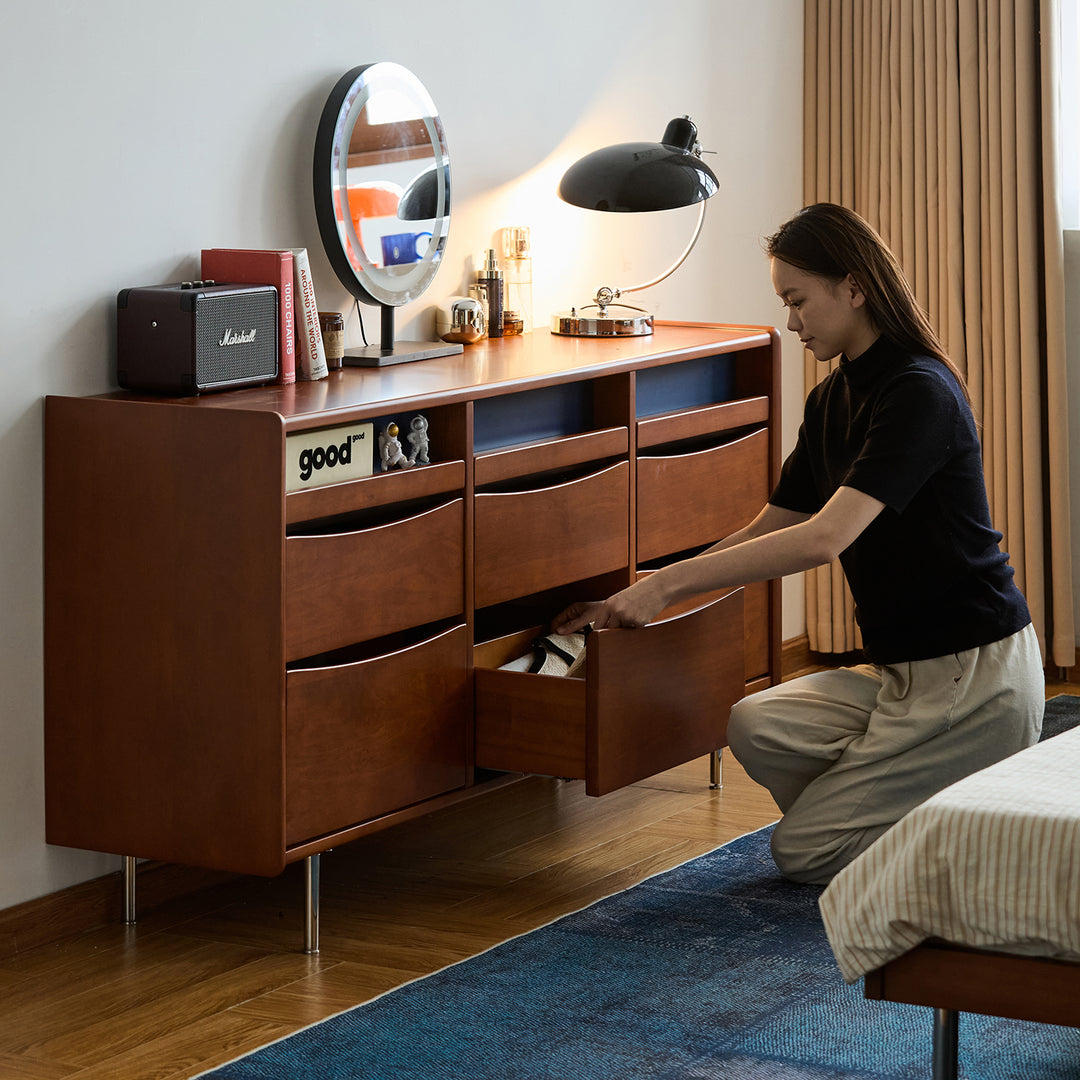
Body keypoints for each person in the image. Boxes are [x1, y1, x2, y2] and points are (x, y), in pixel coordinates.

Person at [552, 202, 1044, 885]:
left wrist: (665, 587)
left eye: (798, 301)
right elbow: (767, 529)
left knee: (804, 852)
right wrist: (636, 592)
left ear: (854, 287)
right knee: (756, 723)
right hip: (902, 676)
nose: (791, 322)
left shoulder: (918, 393)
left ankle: (967, 829)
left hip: (973, 679)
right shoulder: (833, 398)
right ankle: (923, 800)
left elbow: (825, 537)